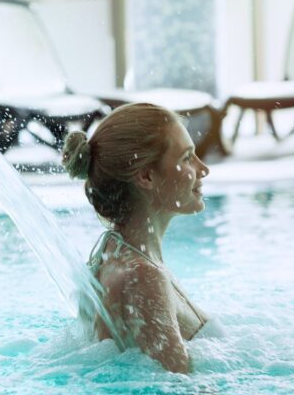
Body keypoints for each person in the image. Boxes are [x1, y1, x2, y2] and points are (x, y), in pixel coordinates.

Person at [61, 103, 222, 374]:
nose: (203, 169)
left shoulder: (112, 253)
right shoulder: (144, 277)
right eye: (186, 158)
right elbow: (177, 393)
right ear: (146, 176)